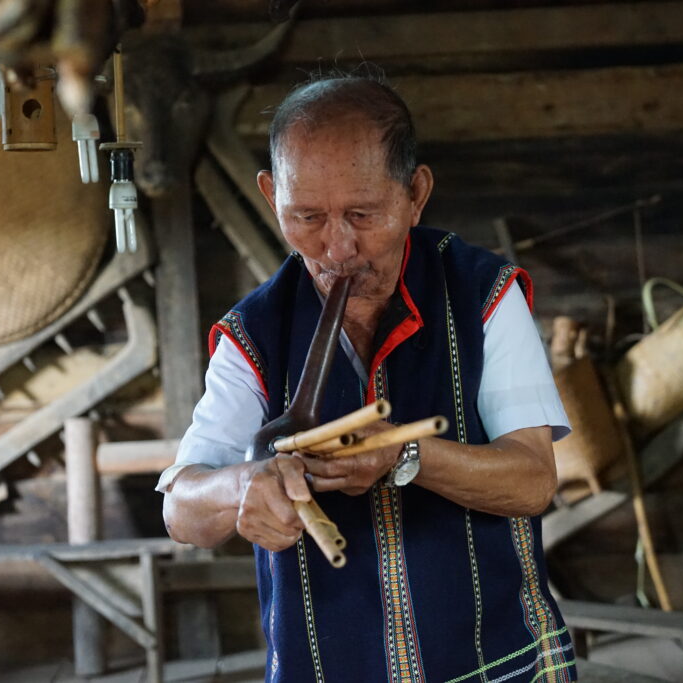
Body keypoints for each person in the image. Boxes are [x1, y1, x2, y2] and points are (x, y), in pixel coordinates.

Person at [158, 73, 577, 682]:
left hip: (496, 668)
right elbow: (180, 508)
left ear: (416, 193)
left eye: (363, 213)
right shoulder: (256, 331)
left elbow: (533, 479)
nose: (337, 247)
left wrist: (404, 454)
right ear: (271, 194)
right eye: (306, 216)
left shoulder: (481, 293)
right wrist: (240, 487)